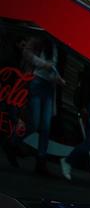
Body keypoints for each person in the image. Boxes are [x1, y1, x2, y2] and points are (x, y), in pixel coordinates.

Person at [23, 35, 65, 175]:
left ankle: (41, 161)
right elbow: (27, 53)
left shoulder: (56, 46)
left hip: (48, 87)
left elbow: (53, 69)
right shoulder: (40, 38)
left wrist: (58, 79)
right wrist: (43, 64)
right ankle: (13, 143)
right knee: (34, 123)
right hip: (37, 82)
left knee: (46, 127)